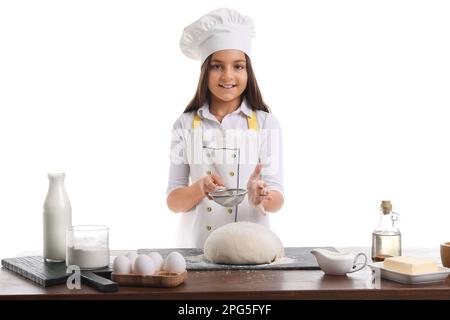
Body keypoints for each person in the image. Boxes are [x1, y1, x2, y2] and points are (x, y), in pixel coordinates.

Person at [166, 8, 284, 248]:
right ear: (204, 71)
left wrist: (259, 196)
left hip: (252, 247)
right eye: (217, 66)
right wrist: (201, 187)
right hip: (197, 249)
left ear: (248, 71)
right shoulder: (185, 124)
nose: (228, 75)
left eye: (238, 66)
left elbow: (277, 199)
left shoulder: (265, 124)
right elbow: (174, 202)